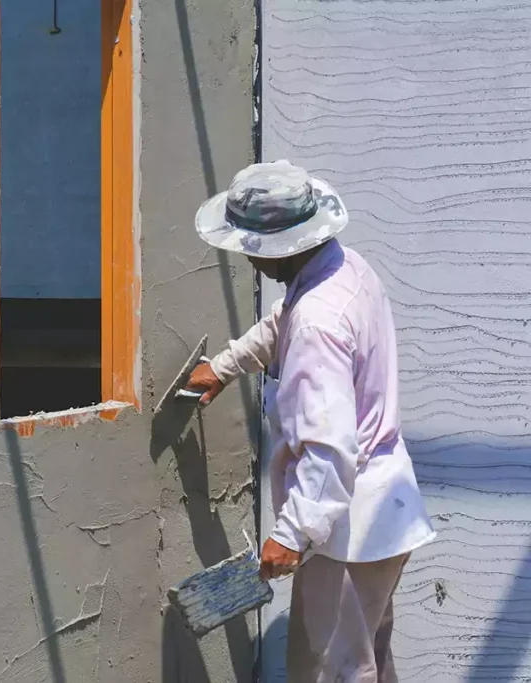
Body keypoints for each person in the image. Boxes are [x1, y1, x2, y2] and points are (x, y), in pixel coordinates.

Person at [186, 160, 436, 683]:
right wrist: (225, 366)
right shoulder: (343, 268)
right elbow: (284, 319)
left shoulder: (318, 324)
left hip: (346, 526)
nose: (249, 258)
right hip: (379, 513)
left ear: (285, 245)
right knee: (370, 656)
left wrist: (294, 532)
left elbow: (327, 447)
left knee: (332, 670)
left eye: (252, 247)